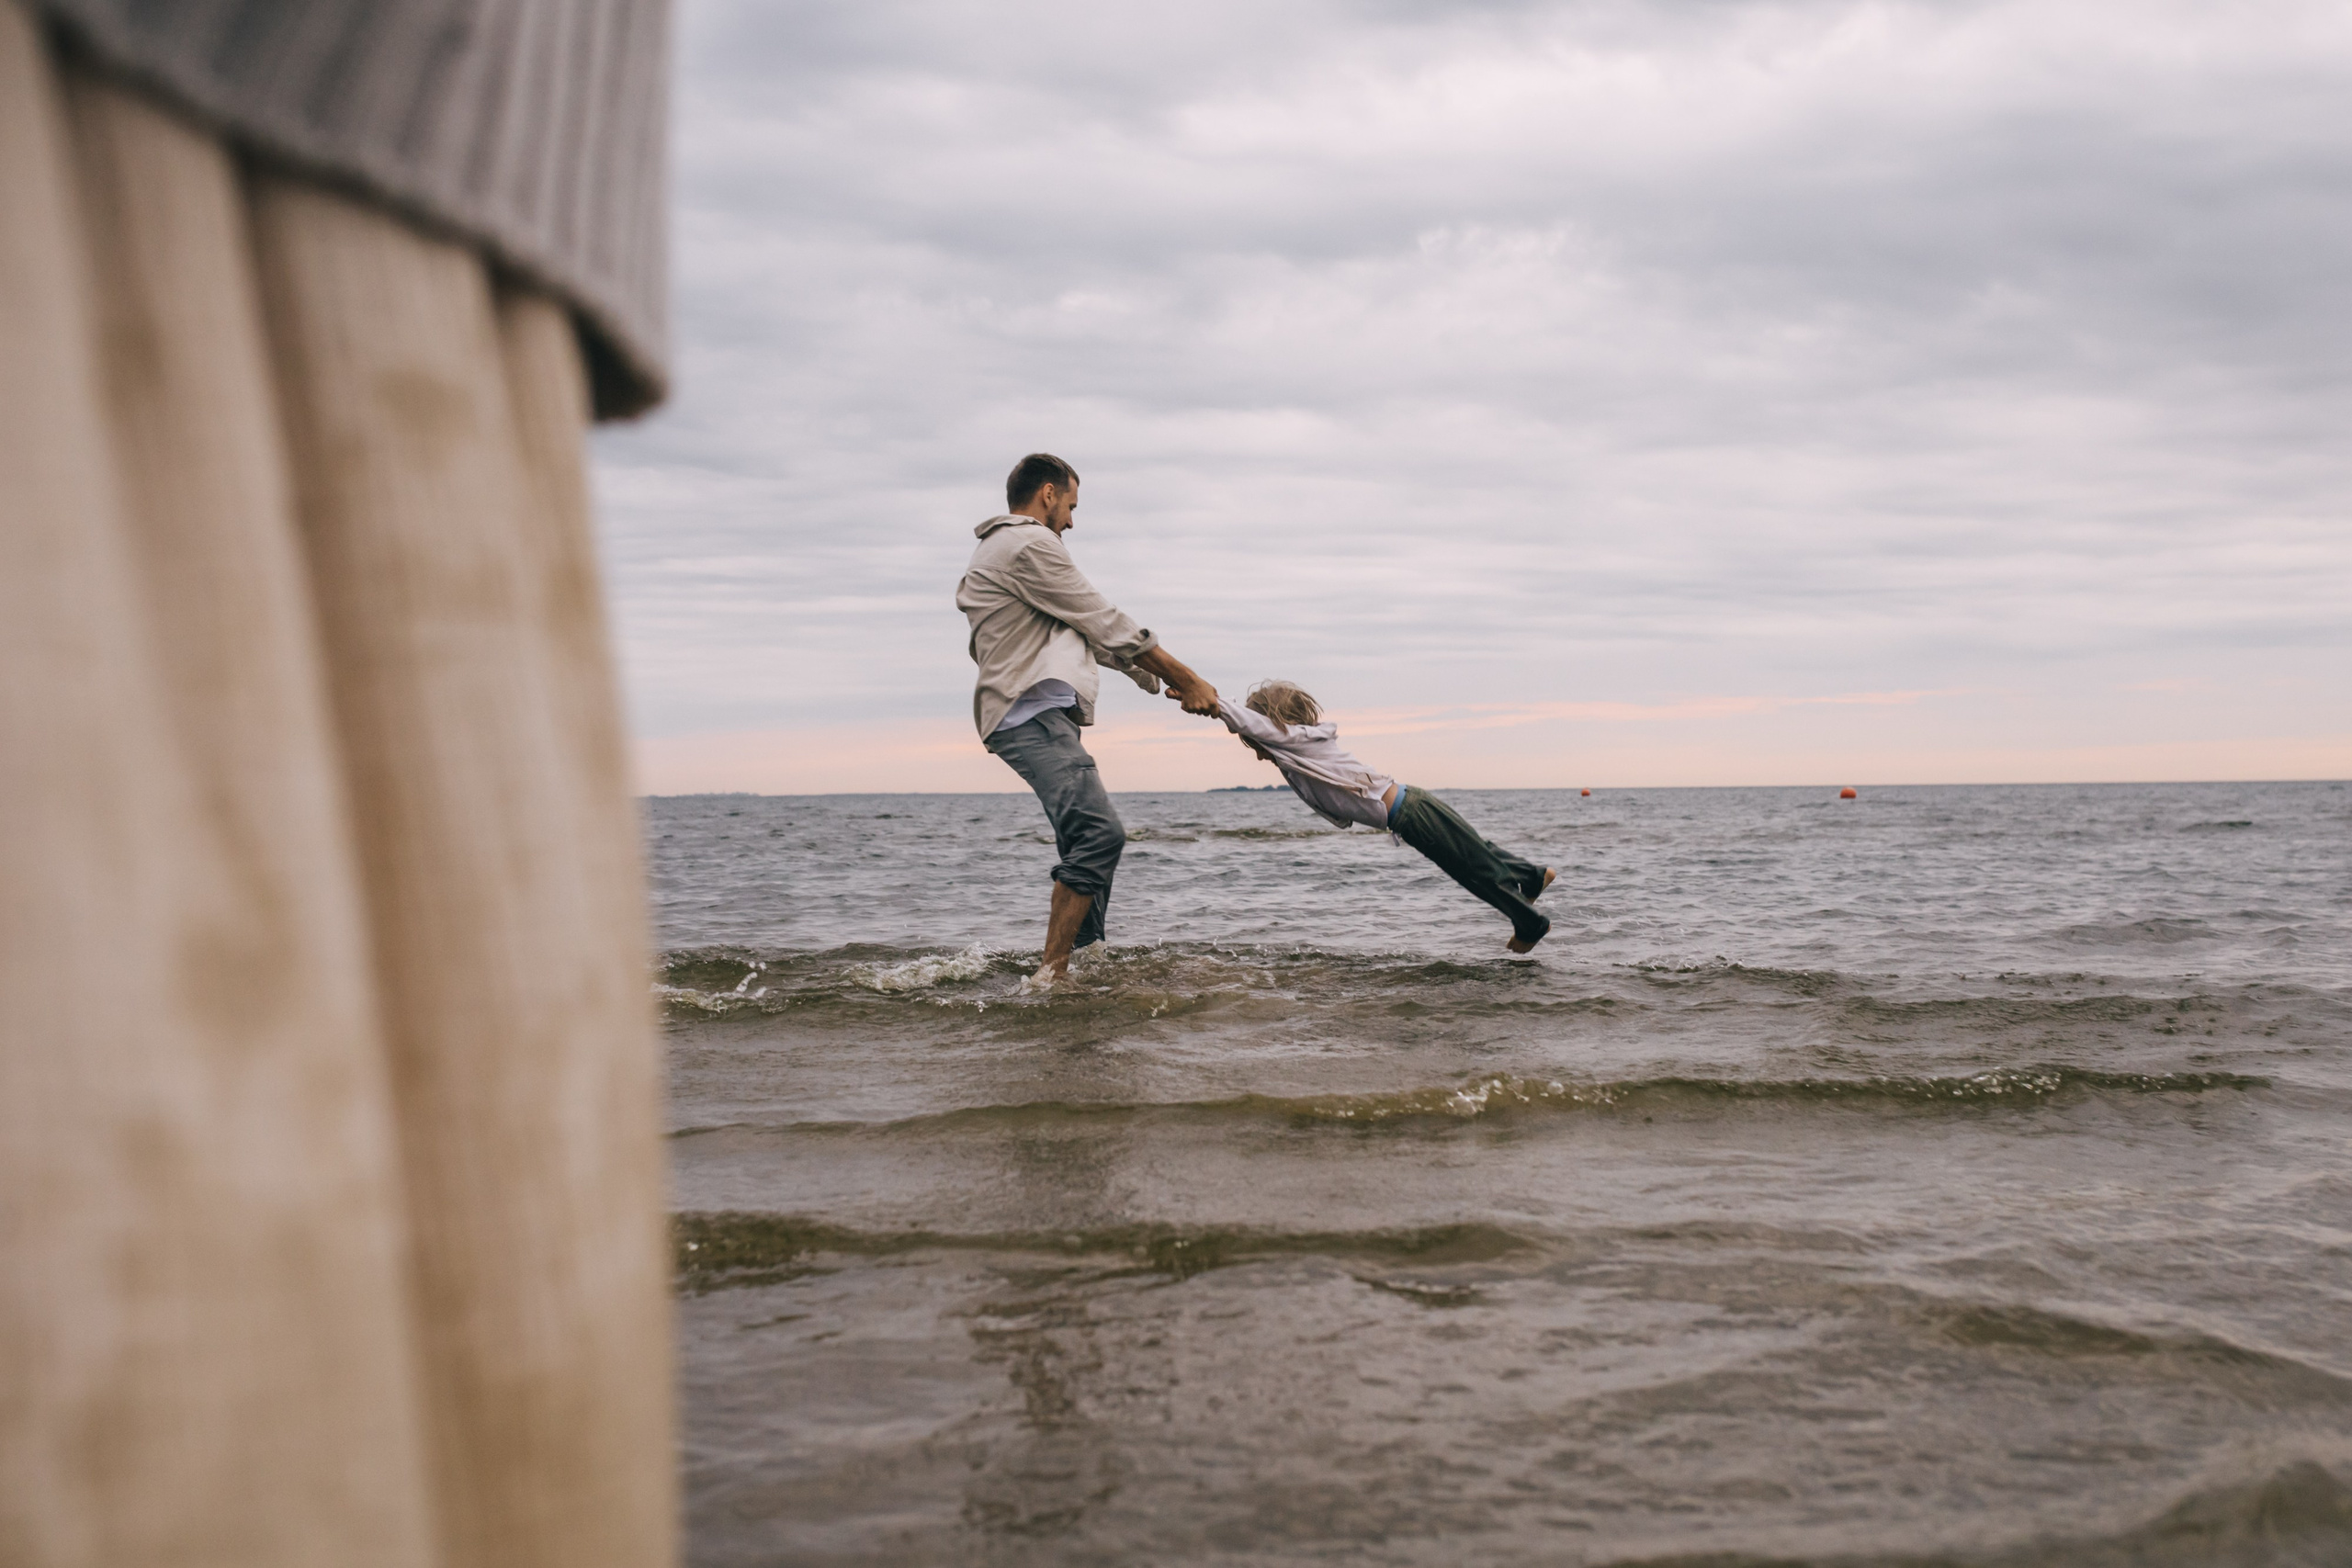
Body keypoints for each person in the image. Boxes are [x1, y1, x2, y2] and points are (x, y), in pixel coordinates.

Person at [957, 453, 1220, 982]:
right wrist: (1185, 676)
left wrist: (1155, 678)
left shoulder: (1005, 550)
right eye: (1071, 506)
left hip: (1036, 713)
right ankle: (1051, 979)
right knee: (1100, 835)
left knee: (1085, 841)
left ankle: (1085, 964)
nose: (1072, 521)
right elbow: (1101, 617)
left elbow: (1081, 632)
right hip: (1027, 713)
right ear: (1048, 494)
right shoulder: (1028, 542)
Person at [1213, 680, 1556, 952]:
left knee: (1473, 870)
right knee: (1477, 853)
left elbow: (1251, 723)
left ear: (1272, 727)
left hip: (1412, 814)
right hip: (1412, 808)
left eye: (1257, 744)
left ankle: (1530, 924)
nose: (1259, 754)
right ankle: (1533, 876)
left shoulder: (1297, 740)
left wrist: (1209, 701)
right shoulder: (1300, 751)